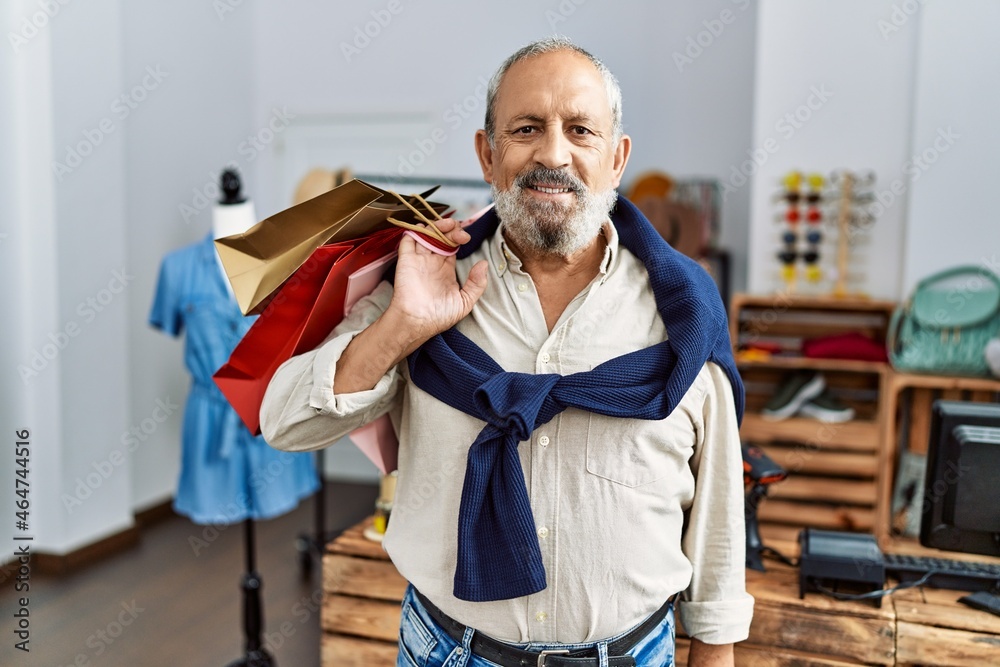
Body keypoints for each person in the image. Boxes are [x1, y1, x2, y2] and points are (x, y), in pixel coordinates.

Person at [261, 37, 752, 667]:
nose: (553, 153)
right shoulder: (422, 283)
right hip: (446, 651)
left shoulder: (682, 309)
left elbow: (717, 510)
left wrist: (714, 652)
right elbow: (284, 422)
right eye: (526, 129)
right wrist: (402, 328)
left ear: (617, 158)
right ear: (487, 155)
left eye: (581, 130)